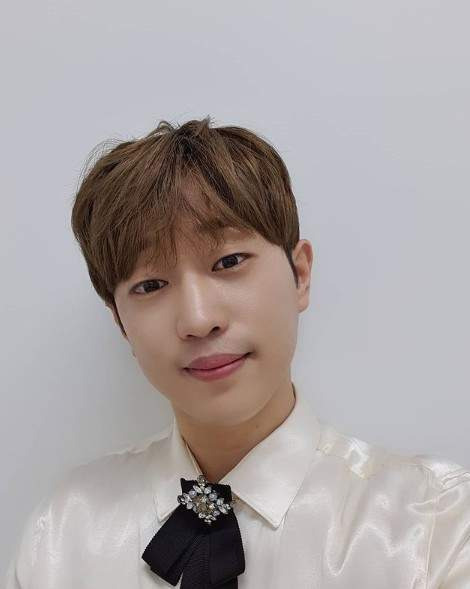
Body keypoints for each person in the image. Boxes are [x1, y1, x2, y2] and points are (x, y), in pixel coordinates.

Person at [5, 117, 469, 588]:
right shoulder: (63, 533)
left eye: (228, 261)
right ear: (120, 322)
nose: (198, 319)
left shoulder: (435, 525)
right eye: (151, 285)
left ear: (300, 274)